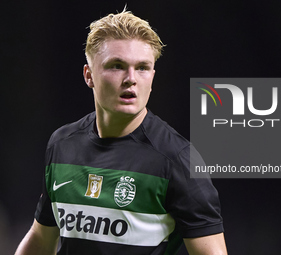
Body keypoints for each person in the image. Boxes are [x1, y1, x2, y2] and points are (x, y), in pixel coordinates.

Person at [15, 9, 228, 255]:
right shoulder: (62, 144)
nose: (130, 79)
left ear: (153, 77)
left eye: (142, 68)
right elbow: (41, 238)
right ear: (89, 75)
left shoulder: (178, 160)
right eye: (117, 66)